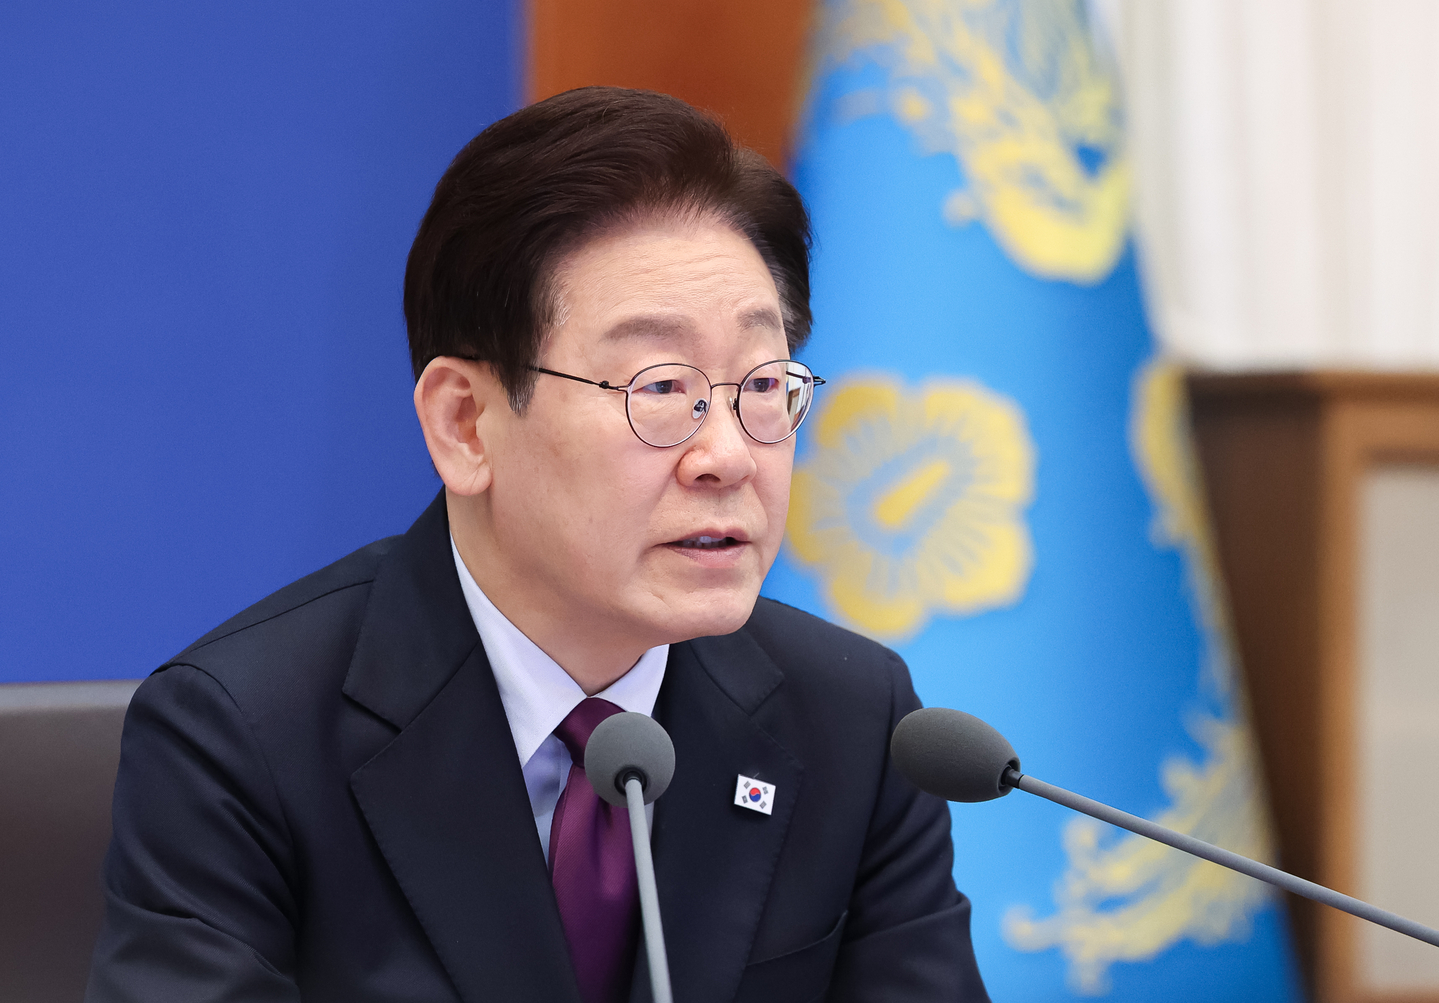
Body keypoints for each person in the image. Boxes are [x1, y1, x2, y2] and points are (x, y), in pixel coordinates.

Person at [86, 87, 989, 1003]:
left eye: (762, 383)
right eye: (661, 387)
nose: (726, 455)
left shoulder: (853, 720)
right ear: (466, 424)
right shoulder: (243, 737)